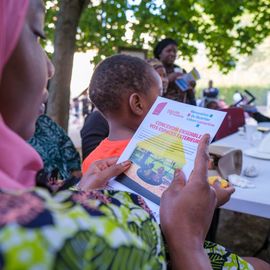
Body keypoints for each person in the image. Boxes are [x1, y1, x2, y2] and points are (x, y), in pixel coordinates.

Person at [0, 1, 269, 269]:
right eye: (37, 34)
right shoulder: (52, 235)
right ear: (137, 104)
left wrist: (84, 193)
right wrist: (188, 242)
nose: (50, 68)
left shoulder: (44, 191)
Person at [81, 55, 269, 268]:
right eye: (160, 95)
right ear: (137, 104)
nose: (166, 102)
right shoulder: (160, 150)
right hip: (165, 255)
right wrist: (215, 197)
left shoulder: (93, 164)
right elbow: (178, 212)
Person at [29, 114, 81, 179]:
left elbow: (66, 145)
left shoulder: (44, 121)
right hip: (35, 186)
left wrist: (75, 175)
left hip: (64, 182)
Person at [153, 38, 197, 105]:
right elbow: (151, 90)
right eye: (169, 51)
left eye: (175, 51)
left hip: (180, 110)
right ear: (159, 53)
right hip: (159, 108)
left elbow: (190, 96)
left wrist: (190, 86)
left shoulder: (180, 70)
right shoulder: (152, 68)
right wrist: (169, 79)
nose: (172, 54)